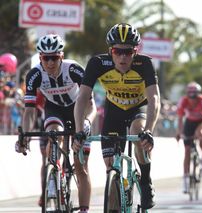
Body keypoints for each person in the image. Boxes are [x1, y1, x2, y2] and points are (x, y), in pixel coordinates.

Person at [72, 23, 160, 210]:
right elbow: (81, 98)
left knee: (138, 132)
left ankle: (145, 180)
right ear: (110, 51)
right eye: (117, 51)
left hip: (138, 108)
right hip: (114, 110)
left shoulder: (144, 64)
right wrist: (79, 130)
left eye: (127, 52)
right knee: (111, 168)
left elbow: (154, 98)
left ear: (135, 51)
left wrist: (149, 131)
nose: (122, 57)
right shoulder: (97, 63)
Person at [15, 34, 97, 213]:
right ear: (40, 58)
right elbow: (29, 111)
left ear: (61, 56)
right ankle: (55, 172)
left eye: (55, 58)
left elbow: (92, 106)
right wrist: (25, 137)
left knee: (80, 165)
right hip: (55, 109)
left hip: (79, 110)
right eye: (46, 58)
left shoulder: (74, 69)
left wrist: (86, 124)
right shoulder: (34, 74)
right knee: (53, 134)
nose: (50, 63)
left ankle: (84, 209)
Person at [175, 82, 202, 193]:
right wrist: (179, 132)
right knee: (186, 151)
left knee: (200, 136)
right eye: (190, 98)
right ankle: (185, 179)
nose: (192, 101)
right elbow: (180, 119)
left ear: (198, 95)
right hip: (189, 123)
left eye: (194, 98)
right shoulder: (183, 101)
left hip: (201, 122)